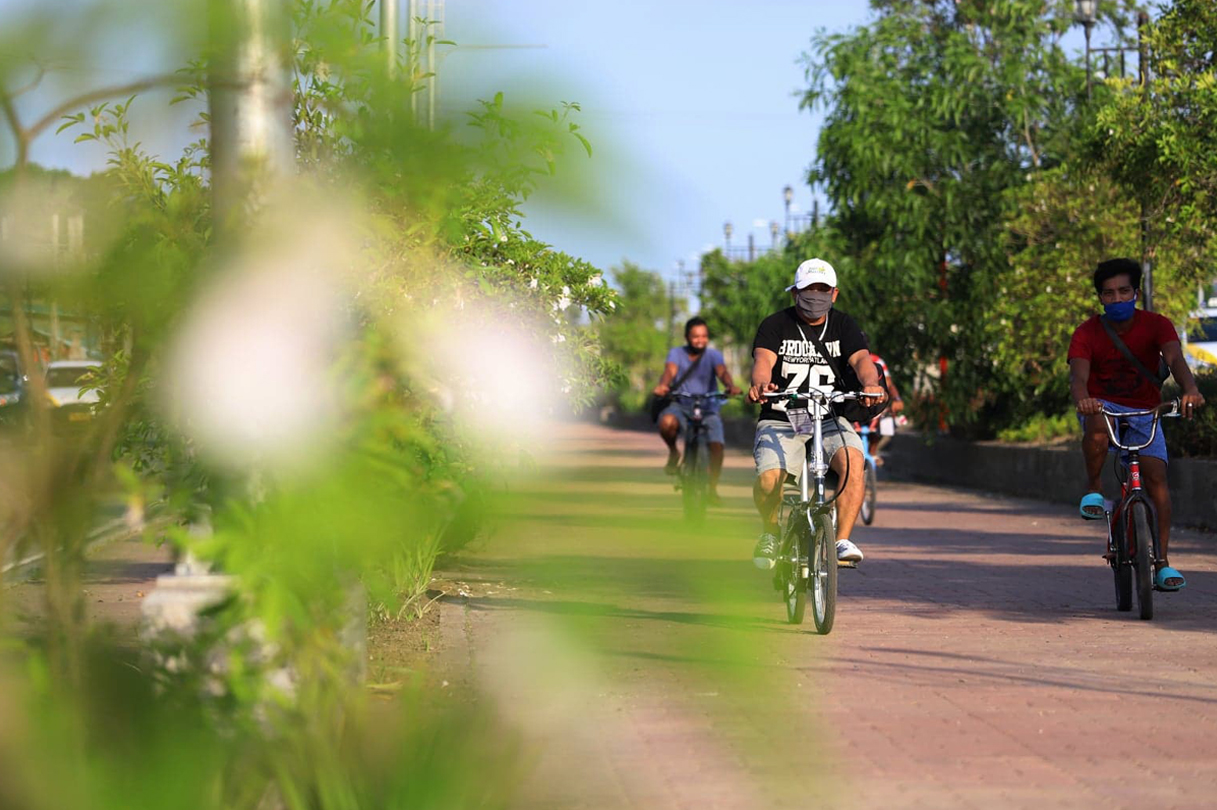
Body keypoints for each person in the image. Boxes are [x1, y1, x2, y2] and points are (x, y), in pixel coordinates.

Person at [1068, 258, 1206, 591]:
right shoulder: (1087, 332)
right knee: (1097, 424)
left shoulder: (1157, 325)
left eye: (1124, 291)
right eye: (1109, 293)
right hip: (1103, 406)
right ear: (1101, 298)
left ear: (1136, 293)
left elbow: (1175, 359)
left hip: (1147, 410)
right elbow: (1078, 376)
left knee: (1156, 478)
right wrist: (1084, 399)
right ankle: (1094, 488)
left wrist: (1190, 390)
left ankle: (1162, 563)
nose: (1117, 299)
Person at [746, 258, 887, 567]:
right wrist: (760, 384)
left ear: (833, 294)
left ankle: (842, 540)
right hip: (784, 415)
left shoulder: (844, 325)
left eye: (822, 289)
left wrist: (871, 383)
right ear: (795, 293)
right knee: (770, 479)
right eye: (809, 289)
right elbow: (763, 361)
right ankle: (770, 533)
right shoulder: (775, 325)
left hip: (829, 415)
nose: (815, 296)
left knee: (854, 460)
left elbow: (862, 360)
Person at [653, 317, 741, 504]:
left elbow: (722, 372)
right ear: (687, 337)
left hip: (708, 407)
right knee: (667, 422)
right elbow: (670, 371)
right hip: (682, 405)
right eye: (695, 336)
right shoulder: (676, 353)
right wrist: (663, 385)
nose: (700, 340)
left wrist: (730, 386)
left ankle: (712, 487)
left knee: (717, 445)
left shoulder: (713, 355)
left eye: (704, 336)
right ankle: (674, 451)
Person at [864, 351, 904, 466]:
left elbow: (889, 384)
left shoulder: (877, 361)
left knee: (885, 422)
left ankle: (873, 451)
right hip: (853, 403)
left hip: (875, 404)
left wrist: (897, 399)